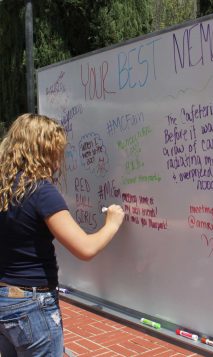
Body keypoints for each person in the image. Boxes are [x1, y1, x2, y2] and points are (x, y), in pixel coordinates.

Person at [0, 113, 125, 356]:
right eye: (57, 150)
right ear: (43, 150)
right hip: (30, 305)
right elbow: (85, 248)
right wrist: (112, 223)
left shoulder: (5, 188)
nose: (60, 159)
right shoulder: (40, 191)